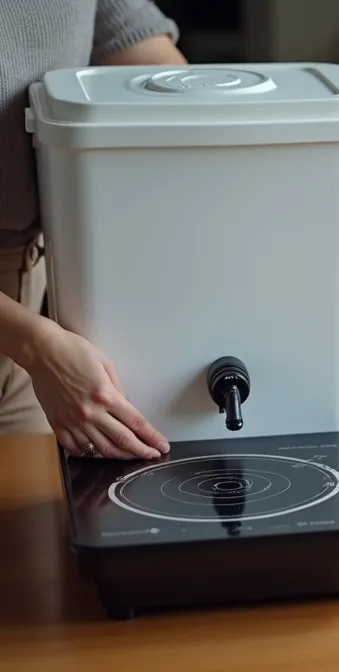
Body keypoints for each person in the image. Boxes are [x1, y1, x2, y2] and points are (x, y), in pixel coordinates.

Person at [0, 0, 185, 459]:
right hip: (32, 341)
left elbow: (147, 58)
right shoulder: (41, 349)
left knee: (39, 524)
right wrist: (40, 349)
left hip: (31, 315)